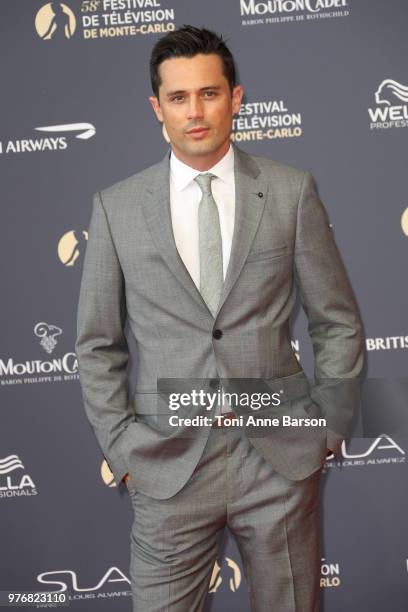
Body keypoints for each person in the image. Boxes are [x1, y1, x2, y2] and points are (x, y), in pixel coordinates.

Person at [75, 25, 364, 612]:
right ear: (157, 108)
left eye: (209, 93)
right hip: (167, 464)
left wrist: (326, 430)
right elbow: (98, 345)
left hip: (279, 459)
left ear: (236, 98)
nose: (195, 111)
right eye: (179, 98)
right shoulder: (117, 208)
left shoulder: (290, 192)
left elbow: (336, 321)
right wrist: (125, 449)